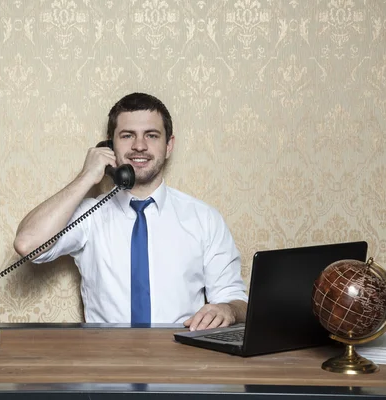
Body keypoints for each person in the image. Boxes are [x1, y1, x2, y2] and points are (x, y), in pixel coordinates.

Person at [14, 92, 247, 331]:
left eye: (152, 135)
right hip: (107, 360)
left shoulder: (204, 219)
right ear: (109, 145)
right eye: (127, 136)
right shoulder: (90, 216)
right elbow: (27, 244)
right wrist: (86, 177)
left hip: (181, 359)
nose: (139, 146)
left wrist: (228, 309)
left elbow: (237, 300)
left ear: (169, 146)